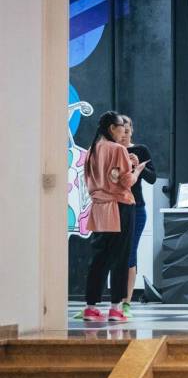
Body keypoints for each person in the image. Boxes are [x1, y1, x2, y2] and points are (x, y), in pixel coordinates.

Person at [82, 111, 147, 323]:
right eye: (121, 128)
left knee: (99, 259)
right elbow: (126, 182)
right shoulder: (118, 149)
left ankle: (90, 308)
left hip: (98, 208)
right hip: (120, 206)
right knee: (120, 258)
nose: (124, 132)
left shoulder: (92, 150)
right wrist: (136, 170)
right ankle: (116, 308)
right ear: (112, 128)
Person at [117, 115, 155, 317]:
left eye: (127, 129)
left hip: (136, 208)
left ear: (132, 130)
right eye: (120, 129)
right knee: (115, 255)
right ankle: (114, 301)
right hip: (114, 208)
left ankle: (126, 303)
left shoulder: (140, 150)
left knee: (130, 253)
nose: (124, 133)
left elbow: (152, 178)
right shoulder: (111, 151)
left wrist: (139, 165)